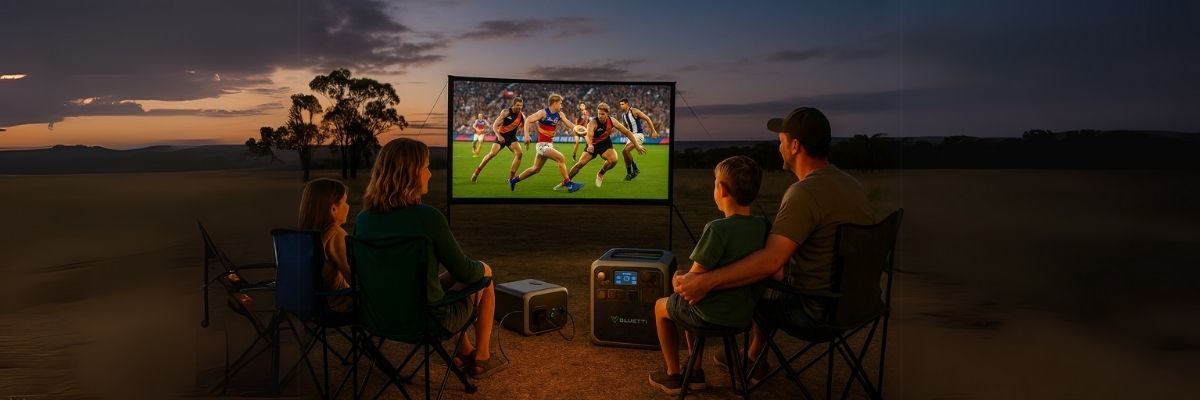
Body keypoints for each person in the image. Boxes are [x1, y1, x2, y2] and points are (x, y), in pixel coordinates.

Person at [672, 107, 874, 381]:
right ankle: (755, 356)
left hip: (816, 313)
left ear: (794, 146)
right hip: (859, 306)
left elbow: (770, 261)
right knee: (766, 283)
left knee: (755, 291)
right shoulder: (852, 185)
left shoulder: (804, 193)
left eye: (780, 141)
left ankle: (740, 361)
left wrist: (705, 282)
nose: (778, 147)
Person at [356, 138, 507, 378]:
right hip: (425, 321)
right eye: (425, 167)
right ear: (409, 173)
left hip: (376, 317)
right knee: (484, 279)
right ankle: (482, 358)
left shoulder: (363, 219)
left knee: (444, 280)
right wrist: (484, 268)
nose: (430, 174)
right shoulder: (428, 218)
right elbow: (466, 273)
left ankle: (466, 351)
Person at [649, 156, 768, 395]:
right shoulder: (762, 225)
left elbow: (693, 281)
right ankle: (694, 370)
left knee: (663, 307)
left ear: (722, 190)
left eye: (715, 182)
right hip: (743, 314)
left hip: (710, 315)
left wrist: (678, 279)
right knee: (688, 301)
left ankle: (674, 374)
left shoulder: (717, 229)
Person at [297, 178, 353, 316]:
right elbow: (354, 276)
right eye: (345, 202)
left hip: (309, 305)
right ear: (333, 209)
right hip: (339, 306)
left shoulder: (303, 236)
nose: (348, 207)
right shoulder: (335, 234)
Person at [509, 93, 584, 193]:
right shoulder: (543, 113)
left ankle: (514, 180)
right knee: (561, 158)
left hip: (549, 145)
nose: (561, 106)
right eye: (560, 103)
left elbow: (568, 123)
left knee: (535, 169)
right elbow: (528, 120)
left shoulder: (560, 114)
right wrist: (526, 135)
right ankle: (568, 183)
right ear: (554, 103)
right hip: (541, 145)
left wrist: (577, 128)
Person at [566, 102, 645, 188]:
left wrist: (637, 145)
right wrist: (590, 145)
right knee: (580, 164)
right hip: (593, 144)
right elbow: (588, 136)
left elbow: (627, 132)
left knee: (614, 160)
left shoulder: (612, 121)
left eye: (602, 114)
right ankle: (566, 181)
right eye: (599, 113)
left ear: (607, 114)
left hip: (605, 144)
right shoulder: (593, 123)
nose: (600, 115)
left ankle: (601, 173)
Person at [470, 97, 530, 183]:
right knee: (492, 154)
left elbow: (525, 127)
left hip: (512, 138)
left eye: (521, 105)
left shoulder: (522, 116)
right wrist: (498, 136)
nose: (520, 107)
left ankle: (511, 179)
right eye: (518, 105)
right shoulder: (506, 112)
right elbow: (494, 125)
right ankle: (476, 173)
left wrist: (527, 136)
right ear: (513, 104)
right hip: (501, 136)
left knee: (519, 154)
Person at [617, 98, 659, 181]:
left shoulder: (634, 111)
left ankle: (635, 169)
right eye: (620, 104)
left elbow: (647, 118)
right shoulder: (623, 115)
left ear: (627, 104)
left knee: (626, 151)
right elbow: (625, 126)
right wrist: (628, 132)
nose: (621, 106)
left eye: (622, 104)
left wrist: (653, 131)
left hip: (639, 135)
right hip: (631, 136)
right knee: (624, 152)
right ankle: (629, 173)